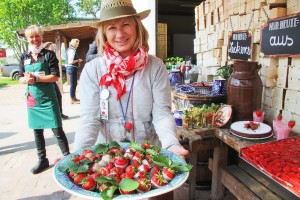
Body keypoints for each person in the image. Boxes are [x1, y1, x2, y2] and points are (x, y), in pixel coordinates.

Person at [73, 0, 189, 159]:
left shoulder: (155, 67)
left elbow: (162, 113)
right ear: (104, 33)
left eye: (125, 24)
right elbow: (89, 120)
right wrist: (77, 155)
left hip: (148, 155)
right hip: (107, 159)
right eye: (112, 27)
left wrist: (172, 144)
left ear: (136, 26)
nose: (120, 34)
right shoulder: (92, 70)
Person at [19, 25, 70, 174]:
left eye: (37, 36)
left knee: (57, 129)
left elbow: (55, 76)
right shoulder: (24, 56)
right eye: (31, 37)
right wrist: (26, 80)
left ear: (41, 37)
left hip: (48, 98)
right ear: (27, 39)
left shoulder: (49, 55)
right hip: (33, 99)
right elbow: (20, 77)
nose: (34, 39)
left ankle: (67, 158)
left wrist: (37, 78)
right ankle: (43, 160)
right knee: (37, 131)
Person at [43, 42, 69, 119]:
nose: (53, 48)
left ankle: (59, 113)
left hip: (52, 80)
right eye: (51, 47)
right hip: (46, 81)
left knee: (58, 96)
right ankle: (53, 115)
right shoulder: (44, 56)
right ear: (47, 48)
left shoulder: (51, 55)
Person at [65, 39, 82, 104]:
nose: (78, 46)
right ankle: (72, 99)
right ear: (75, 44)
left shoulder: (70, 49)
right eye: (77, 44)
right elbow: (70, 61)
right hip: (71, 68)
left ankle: (74, 97)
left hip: (70, 68)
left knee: (74, 84)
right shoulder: (72, 50)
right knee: (73, 84)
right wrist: (78, 60)